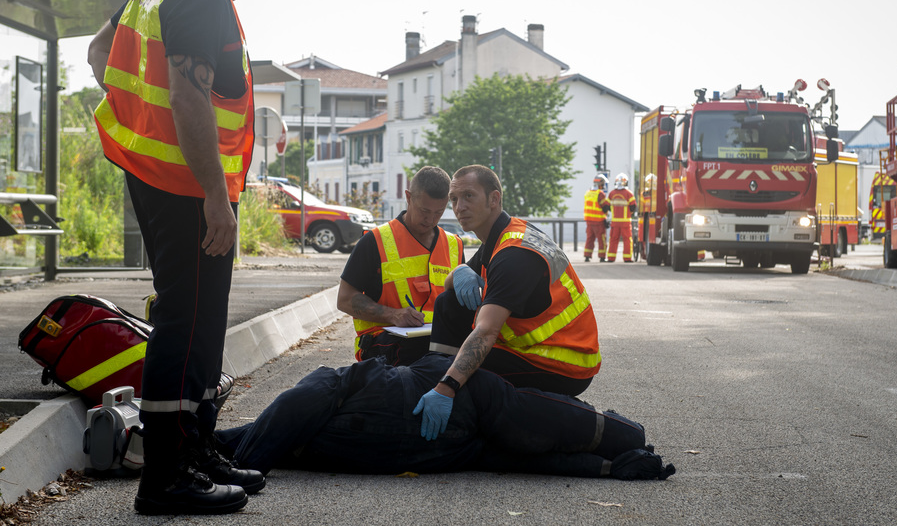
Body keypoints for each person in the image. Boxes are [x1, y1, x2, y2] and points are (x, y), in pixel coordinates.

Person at [87, 0, 266, 516]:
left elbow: (97, 52)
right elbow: (188, 93)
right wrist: (216, 196)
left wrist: (142, 124)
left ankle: (196, 450)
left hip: (156, 172)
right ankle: (165, 476)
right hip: (187, 184)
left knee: (200, 318)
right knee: (186, 323)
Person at [215, 353, 674, 482]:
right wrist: (610, 471)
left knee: (531, 417)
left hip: (447, 391)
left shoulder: (318, 391)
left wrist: (252, 466)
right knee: (517, 454)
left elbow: (293, 407)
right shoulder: (298, 450)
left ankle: (624, 432)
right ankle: (620, 456)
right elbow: (517, 463)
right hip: (447, 448)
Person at [417, 165, 601, 440]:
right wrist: (460, 272)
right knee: (448, 302)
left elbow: (487, 331)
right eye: (454, 199)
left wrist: (447, 386)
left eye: (469, 196)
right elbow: (451, 289)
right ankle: (435, 374)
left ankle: (448, 399)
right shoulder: (501, 236)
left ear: (494, 199)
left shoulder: (513, 254)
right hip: (535, 347)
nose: (459, 206)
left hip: (563, 362)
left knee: (465, 378)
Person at [337, 166, 464, 366]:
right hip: (385, 343)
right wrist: (393, 315)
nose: (430, 220)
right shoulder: (375, 241)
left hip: (438, 343)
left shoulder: (454, 246)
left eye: (438, 212)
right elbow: (344, 300)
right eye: (424, 211)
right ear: (408, 197)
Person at [607, 173, 636, 263]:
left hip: (615, 222)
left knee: (613, 239)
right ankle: (627, 258)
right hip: (625, 222)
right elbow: (633, 207)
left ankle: (611, 258)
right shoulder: (629, 193)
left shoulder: (612, 193)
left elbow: (607, 206)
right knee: (627, 240)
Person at [583, 174, 610, 262]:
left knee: (589, 238)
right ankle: (602, 257)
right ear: (601, 183)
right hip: (598, 221)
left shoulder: (588, 192)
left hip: (589, 220)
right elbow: (605, 207)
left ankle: (587, 256)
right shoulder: (600, 194)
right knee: (601, 239)